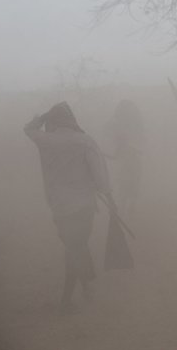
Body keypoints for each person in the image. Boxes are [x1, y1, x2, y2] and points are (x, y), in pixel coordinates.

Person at [24, 102, 118, 314]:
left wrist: (45, 115)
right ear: (72, 120)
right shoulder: (85, 141)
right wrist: (111, 202)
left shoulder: (45, 140)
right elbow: (101, 178)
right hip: (84, 206)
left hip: (59, 207)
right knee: (77, 247)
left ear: (52, 122)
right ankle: (86, 285)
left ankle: (70, 298)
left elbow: (28, 129)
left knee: (73, 248)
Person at [106, 99, 145, 216]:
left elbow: (115, 156)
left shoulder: (123, 144)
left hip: (128, 167)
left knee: (125, 189)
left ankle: (124, 211)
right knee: (132, 188)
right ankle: (128, 209)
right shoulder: (130, 146)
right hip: (132, 166)